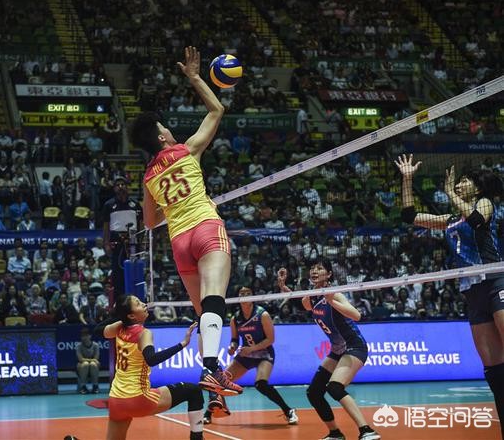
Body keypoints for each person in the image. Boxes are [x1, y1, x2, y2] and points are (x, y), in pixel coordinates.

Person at [129, 46, 241, 396]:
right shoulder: (186, 150)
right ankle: (211, 369)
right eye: (165, 127)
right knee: (214, 303)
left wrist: (171, 205)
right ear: (162, 137)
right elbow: (217, 109)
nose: (169, 129)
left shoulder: (148, 177)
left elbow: (150, 222)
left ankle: (214, 381)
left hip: (180, 243)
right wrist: (194, 77)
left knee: (205, 313)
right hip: (206, 228)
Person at [396, 154, 504, 433]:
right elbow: (410, 217)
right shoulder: (451, 219)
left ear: (477, 188)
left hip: (496, 282)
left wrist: (448, 193)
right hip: (472, 292)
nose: (459, 184)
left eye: (464, 181)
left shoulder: (484, 203)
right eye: (458, 182)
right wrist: (407, 180)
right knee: (494, 370)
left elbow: (477, 220)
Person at [287, 258, 379, 440]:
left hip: (354, 347)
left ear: (329, 274)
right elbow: (300, 304)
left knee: (335, 388)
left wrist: (332, 302)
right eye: (312, 268)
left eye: (319, 268)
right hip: (337, 350)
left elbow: (357, 315)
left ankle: (367, 430)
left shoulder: (334, 294)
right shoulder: (312, 297)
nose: (314, 271)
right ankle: (335, 434)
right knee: (314, 393)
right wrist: (284, 287)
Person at [102, 295, 204, 440]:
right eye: (138, 304)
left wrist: (121, 316)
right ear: (131, 315)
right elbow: (152, 359)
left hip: (116, 400)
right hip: (138, 399)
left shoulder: (118, 328)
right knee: (193, 391)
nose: (144, 304)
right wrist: (182, 344)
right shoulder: (144, 333)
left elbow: (101, 330)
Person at [203, 285, 298, 425]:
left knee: (261, 384)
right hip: (246, 355)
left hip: (264, 353)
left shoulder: (262, 315)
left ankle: (288, 411)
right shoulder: (235, 318)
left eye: (248, 293)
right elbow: (235, 339)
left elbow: (270, 339)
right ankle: (208, 414)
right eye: (242, 293)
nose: (245, 295)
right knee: (219, 382)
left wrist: (252, 348)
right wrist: (232, 347)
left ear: (253, 296)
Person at [101, 175, 142, 305]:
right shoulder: (108, 205)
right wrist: (106, 244)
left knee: (134, 271)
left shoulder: (135, 204)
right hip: (116, 243)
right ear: (114, 188)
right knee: (117, 274)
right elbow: (106, 226)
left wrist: (141, 242)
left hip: (133, 243)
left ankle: (135, 302)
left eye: (123, 184)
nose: (121, 187)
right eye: (118, 185)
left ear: (127, 187)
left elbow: (140, 225)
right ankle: (120, 304)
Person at [77, 327, 101, 394]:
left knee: (93, 364)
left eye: (86, 335)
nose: (84, 337)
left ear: (90, 336)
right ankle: (83, 387)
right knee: (85, 364)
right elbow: (80, 359)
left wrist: (90, 360)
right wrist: (90, 360)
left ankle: (95, 386)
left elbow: (96, 358)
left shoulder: (95, 345)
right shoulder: (79, 346)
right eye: (82, 336)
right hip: (81, 365)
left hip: (94, 364)